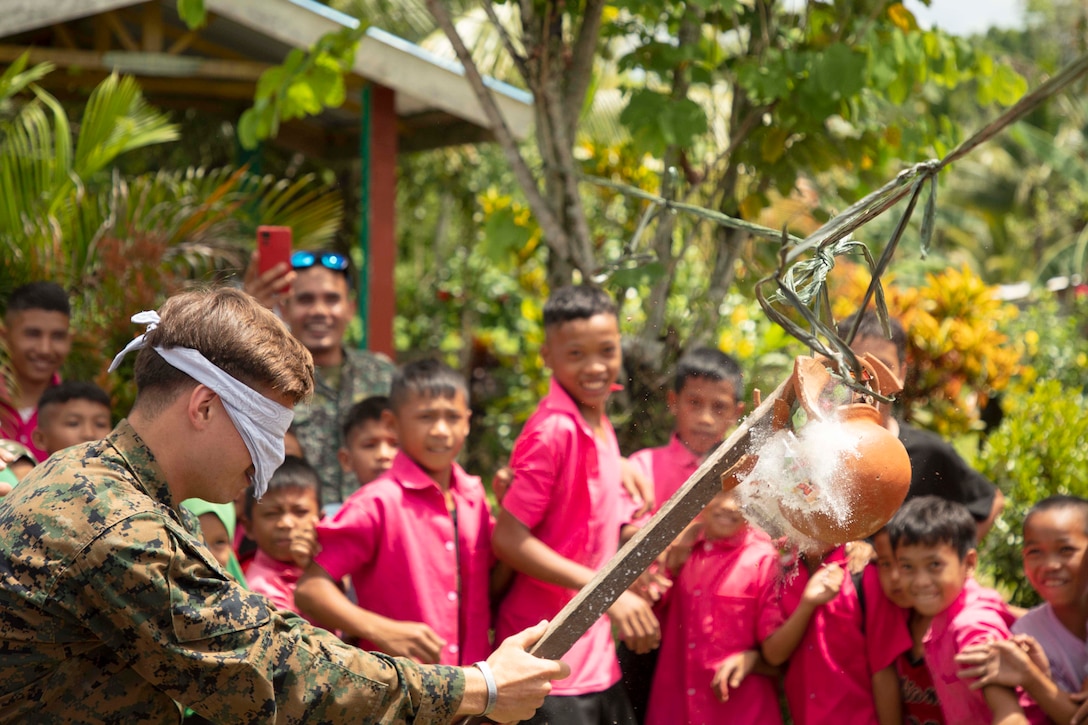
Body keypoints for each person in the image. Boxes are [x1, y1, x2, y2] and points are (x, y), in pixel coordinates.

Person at [0, 287, 567, 723]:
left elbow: (258, 627)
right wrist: (479, 688)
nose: (268, 465)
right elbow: (271, 670)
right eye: (263, 434)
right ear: (202, 407)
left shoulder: (100, 479)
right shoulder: (115, 526)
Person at [493, 284, 659, 725]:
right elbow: (508, 538)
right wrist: (605, 593)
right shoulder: (553, 431)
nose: (595, 366)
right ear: (547, 355)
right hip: (547, 660)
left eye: (606, 349)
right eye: (576, 354)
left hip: (595, 657)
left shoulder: (597, 417)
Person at [295, 359, 494, 666]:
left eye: (452, 417)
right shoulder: (376, 502)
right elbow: (311, 589)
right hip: (402, 691)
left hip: (474, 687)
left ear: (467, 422)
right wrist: (382, 630)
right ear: (393, 424)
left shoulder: (473, 495)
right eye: (426, 417)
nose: (441, 430)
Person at [619, 346, 745, 720]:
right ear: (673, 401)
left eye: (719, 407)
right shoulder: (642, 467)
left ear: (738, 413)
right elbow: (628, 536)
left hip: (718, 635)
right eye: (694, 402)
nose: (705, 417)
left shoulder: (746, 476)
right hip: (650, 628)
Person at [245, 248, 395, 508]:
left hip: (378, 526)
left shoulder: (383, 374)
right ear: (285, 308)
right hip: (298, 532)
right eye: (305, 299)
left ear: (349, 308)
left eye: (332, 299)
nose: (319, 311)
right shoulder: (266, 380)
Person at [841, 310, 1005, 540]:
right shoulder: (817, 451)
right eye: (855, 367)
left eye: (883, 366)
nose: (869, 379)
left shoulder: (929, 454)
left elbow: (991, 500)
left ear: (901, 373)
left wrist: (954, 564)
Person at [888, 496, 1036, 724]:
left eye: (934, 565)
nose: (920, 581)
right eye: (907, 566)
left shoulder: (971, 628)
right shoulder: (947, 611)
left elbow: (1010, 715)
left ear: (968, 563)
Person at [644, 489, 782, 725]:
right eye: (718, 493)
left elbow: (780, 648)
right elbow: (646, 603)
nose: (729, 505)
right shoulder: (681, 550)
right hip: (674, 708)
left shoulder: (765, 559)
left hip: (740, 711)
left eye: (740, 496)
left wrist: (753, 659)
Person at [955, 495, 1088, 723]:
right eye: (1035, 552)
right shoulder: (1027, 633)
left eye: (1066, 550)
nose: (1050, 565)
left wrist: (1030, 676)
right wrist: (1035, 675)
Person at [761, 535, 902, 725]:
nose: (811, 523)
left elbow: (883, 672)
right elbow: (774, 654)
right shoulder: (780, 570)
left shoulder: (862, 570)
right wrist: (806, 605)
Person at [0, 281, 72, 462]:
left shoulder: (80, 414)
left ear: (70, 340)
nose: (45, 349)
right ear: (4, 336)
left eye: (57, 336)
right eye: (33, 334)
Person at [242, 456, 322, 615]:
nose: (286, 523)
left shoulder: (338, 571)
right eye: (272, 514)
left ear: (322, 519)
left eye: (300, 512)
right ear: (249, 527)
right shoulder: (260, 590)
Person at [31, 380, 112, 457]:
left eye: (100, 424)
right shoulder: (26, 470)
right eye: (73, 423)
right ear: (40, 439)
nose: (89, 434)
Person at [337, 395, 397, 490]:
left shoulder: (426, 504)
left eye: (396, 444)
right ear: (346, 460)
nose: (383, 454)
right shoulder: (353, 505)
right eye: (370, 445)